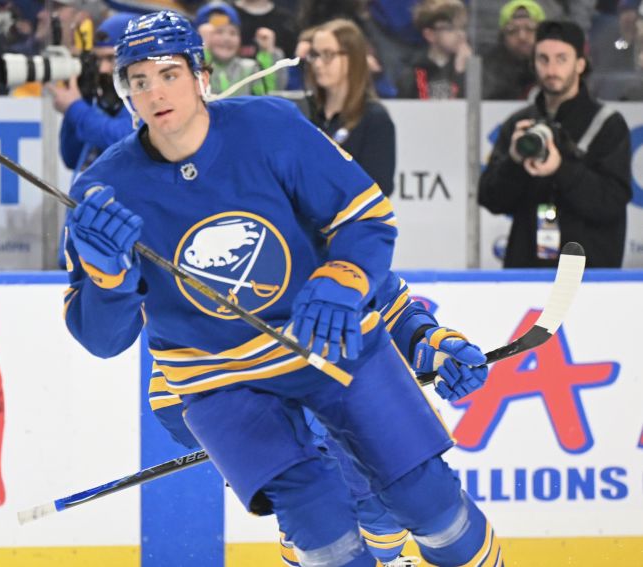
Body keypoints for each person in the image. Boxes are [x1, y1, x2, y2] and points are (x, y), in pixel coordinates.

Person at [63, 11, 503, 566]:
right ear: (126, 93)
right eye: (139, 80)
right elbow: (104, 340)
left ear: (201, 77)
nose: (155, 92)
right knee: (320, 524)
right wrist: (107, 281)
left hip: (329, 348)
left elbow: (363, 222)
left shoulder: (269, 128)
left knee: (428, 500)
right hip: (223, 383)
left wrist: (395, 318)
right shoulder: (103, 190)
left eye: (169, 74)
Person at [148, 271, 490, 567]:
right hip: (278, 431)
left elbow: (394, 310)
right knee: (319, 515)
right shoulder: (194, 284)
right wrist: (269, 418)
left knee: (385, 507)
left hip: (344, 400)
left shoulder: (326, 233)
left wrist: (428, 344)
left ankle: (385, 556)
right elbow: (171, 402)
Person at [479, 20, 632, 268]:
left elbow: (610, 202)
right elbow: (491, 199)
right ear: (533, 63)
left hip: (586, 269)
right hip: (526, 269)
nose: (551, 69)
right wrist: (513, 161)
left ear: (580, 63)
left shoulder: (607, 124)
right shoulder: (519, 124)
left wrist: (561, 168)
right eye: (543, 59)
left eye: (561, 59)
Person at [49, 11, 137, 268]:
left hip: (120, 245)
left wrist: (76, 109)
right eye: (98, 60)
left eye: (111, 59)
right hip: (82, 235)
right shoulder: (102, 102)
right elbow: (71, 155)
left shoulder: (147, 100)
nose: (103, 69)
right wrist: (83, 99)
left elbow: (125, 138)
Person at [305, 18, 397, 197]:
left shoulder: (374, 118)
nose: (317, 64)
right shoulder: (308, 114)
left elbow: (379, 187)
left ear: (353, 58)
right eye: (314, 54)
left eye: (328, 54)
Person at [194, 1, 283, 95]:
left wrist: (266, 52)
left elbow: (270, 94)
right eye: (219, 32)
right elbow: (197, 82)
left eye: (233, 33)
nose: (226, 39)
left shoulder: (249, 68)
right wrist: (202, 48)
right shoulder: (191, 67)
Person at [396, 0, 471, 100]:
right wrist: (459, 73)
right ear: (430, 35)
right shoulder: (418, 71)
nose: (460, 34)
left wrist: (462, 71)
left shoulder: (470, 65)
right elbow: (424, 102)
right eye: (450, 28)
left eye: (463, 27)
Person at [482, 0, 545, 100]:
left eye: (530, 28)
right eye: (512, 30)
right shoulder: (490, 68)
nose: (522, 37)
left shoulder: (554, 64)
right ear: (503, 36)